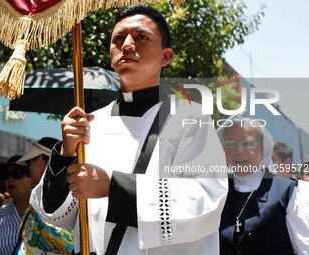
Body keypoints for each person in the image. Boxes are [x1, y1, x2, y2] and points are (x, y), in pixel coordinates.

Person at [31, 4, 228, 255]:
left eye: (141, 37)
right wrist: (65, 155)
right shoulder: (91, 123)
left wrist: (114, 187)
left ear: (166, 56)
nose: (127, 44)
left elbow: (207, 201)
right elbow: (57, 216)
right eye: (119, 38)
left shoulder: (191, 119)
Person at [219, 119, 309, 254]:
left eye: (248, 143)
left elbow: (305, 248)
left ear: (262, 150)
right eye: (231, 144)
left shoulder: (286, 192)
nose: (239, 150)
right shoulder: (217, 191)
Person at [14, 137, 74, 255]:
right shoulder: (37, 201)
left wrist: (37, 211)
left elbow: (69, 244)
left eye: (29, 162)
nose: (28, 168)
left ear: (40, 161)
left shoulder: (67, 200)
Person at [0, 155, 32, 255]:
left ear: (32, 178)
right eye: (6, 175)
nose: (10, 179)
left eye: (17, 173)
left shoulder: (47, 211)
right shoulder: (1, 214)